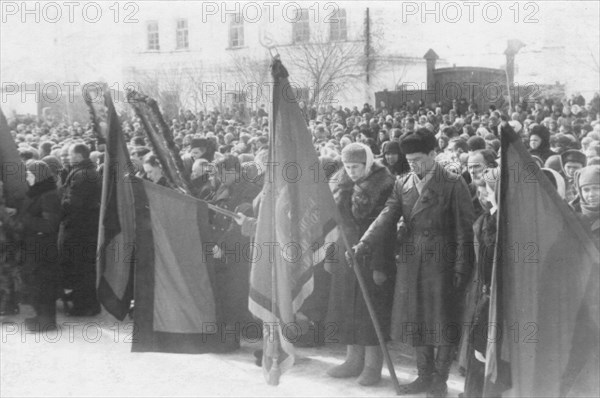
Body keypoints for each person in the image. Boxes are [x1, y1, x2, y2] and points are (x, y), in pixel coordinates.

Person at [355, 128, 475, 398]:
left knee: (442, 321)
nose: (413, 164)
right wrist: (365, 241)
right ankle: (423, 375)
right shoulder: (403, 183)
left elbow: (464, 231)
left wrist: (460, 267)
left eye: (419, 158)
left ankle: (439, 380)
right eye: (410, 160)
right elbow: (387, 215)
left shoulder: (454, 184)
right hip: (412, 260)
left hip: (442, 263)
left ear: (434, 154)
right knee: (418, 318)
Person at [324, 143, 396, 386]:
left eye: (356, 166)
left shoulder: (384, 183)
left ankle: (372, 366)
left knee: (370, 311)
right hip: (347, 250)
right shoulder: (342, 181)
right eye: (347, 166)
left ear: (367, 163)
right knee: (348, 307)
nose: (351, 171)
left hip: (373, 251)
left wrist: (380, 265)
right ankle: (352, 360)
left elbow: (386, 229)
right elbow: (338, 222)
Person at [20, 161, 62, 330]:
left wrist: (25, 219)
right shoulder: (39, 191)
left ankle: (46, 322)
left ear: (38, 175)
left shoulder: (48, 195)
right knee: (37, 284)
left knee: (43, 285)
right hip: (36, 245)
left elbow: (50, 225)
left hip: (43, 248)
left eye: (29, 174)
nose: (26, 177)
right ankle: (40, 319)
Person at [60, 143, 102, 316]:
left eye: (70, 154)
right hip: (87, 228)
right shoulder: (88, 172)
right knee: (85, 268)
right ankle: (85, 302)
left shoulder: (82, 174)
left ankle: (84, 305)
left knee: (81, 269)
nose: (68, 157)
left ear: (78, 156)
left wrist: (58, 204)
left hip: (80, 229)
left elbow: (74, 203)